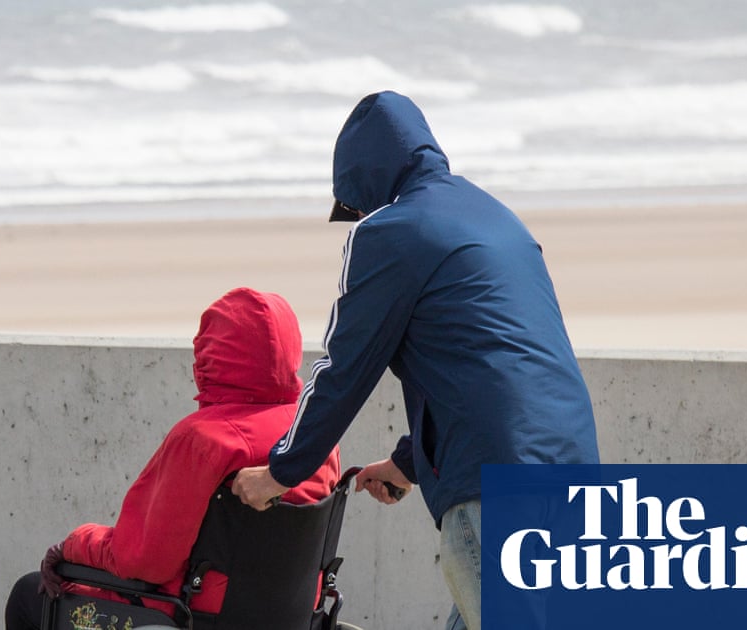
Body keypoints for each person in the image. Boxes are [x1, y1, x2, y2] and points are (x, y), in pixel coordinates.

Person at [231, 91, 600, 630]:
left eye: (354, 207)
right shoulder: (499, 219)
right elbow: (492, 362)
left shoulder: (389, 233)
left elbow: (343, 371)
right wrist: (409, 464)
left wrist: (281, 472)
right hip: (574, 469)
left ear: (365, 184)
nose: (358, 218)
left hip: (496, 488)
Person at [5, 287, 341, 630]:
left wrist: (73, 544)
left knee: (28, 594)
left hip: (187, 617)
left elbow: (145, 561)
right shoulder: (314, 437)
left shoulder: (202, 441)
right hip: (290, 617)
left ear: (212, 355)